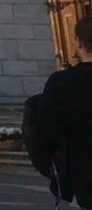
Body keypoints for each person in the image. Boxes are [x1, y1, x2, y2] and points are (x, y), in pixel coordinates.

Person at [28, 14, 92, 206]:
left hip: (79, 182)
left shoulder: (61, 83)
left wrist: (56, 172)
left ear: (78, 42)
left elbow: (43, 134)